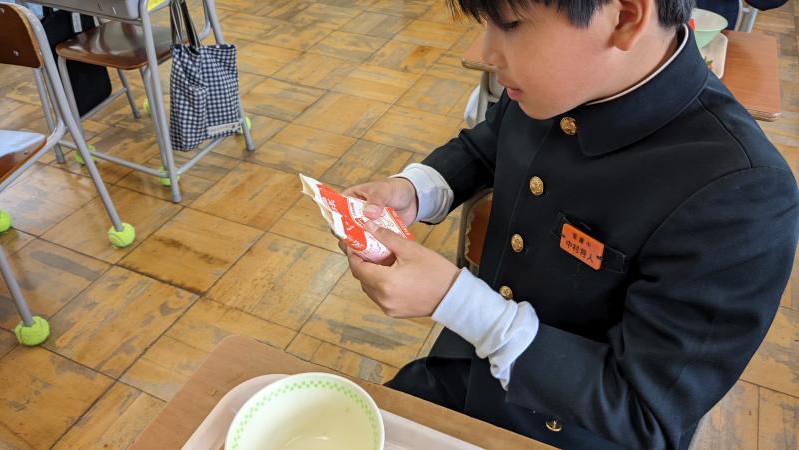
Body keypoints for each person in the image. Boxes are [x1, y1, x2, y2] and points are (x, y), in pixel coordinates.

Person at [339, 0, 799, 448]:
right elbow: (490, 144)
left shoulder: (741, 192)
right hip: (461, 372)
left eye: (511, 25)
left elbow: (642, 412)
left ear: (625, 17)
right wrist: (416, 190)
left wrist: (456, 301)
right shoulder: (560, 81)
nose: (488, 52)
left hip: (563, 428)